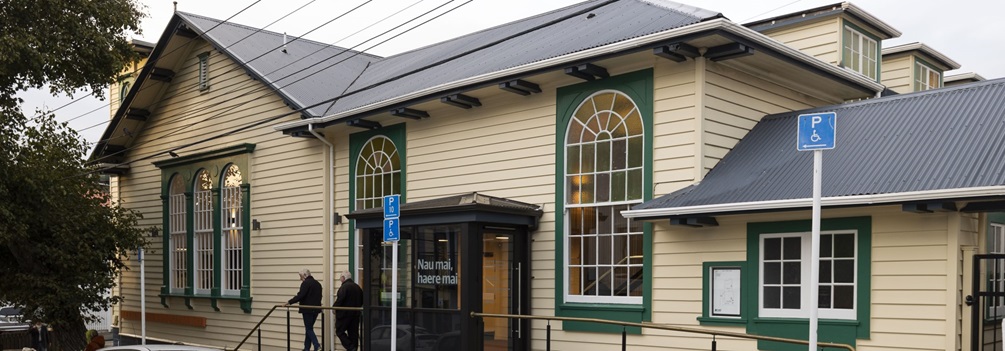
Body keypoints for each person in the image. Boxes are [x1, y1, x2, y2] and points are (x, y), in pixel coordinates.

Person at [285, 268, 323, 351]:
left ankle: (317, 345)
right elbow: (319, 296)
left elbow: (300, 296)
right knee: (309, 329)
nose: (300, 279)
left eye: (300, 276)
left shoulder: (305, 283)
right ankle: (306, 348)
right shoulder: (318, 284)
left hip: (307, 309)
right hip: (316, 309)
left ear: (305, 276)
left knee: (309, 329)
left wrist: (289, 302)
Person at [333, 270, 363, 351]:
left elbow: (340, 300)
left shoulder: (344, 287)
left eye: (340, 278)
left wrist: (334, 308)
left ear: (343, 278)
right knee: (353, 334)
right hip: (356, 314)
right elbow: (361, 300)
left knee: (339, 331)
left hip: (344, 314)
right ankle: (354, 348)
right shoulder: (357, 287)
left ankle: (350, 347)